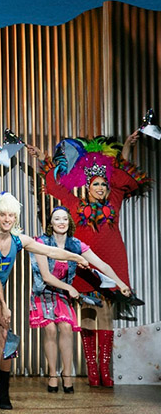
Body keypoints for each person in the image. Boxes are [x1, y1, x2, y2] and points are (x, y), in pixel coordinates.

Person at [27, 135, 149, 387]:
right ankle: (92, 372)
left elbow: (123, 179)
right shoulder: (74, 204)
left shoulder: (114, 200)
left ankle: (106, 370)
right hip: (85, 264)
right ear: (88, 187)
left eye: (104, 184)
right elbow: (54, 186)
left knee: (106, 314)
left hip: (112, 261)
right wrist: (42, 159)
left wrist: (125, 149)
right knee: (88, 314)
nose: (101, 188)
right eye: (96, 184)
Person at [0, 192, 88, 410]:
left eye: (11, 215)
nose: (7, 219)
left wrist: (76, 257)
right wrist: (5, 306)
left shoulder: (18, 240)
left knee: (5, 338)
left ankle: (4, 390)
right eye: (3, 215)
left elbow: (49, 250)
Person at [29, 207, 130, 393]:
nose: (61, 222)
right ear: (51, 223)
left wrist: (120, 283)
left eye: (64, 219)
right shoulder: (41, 243)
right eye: (57, 219)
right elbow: (46, 276)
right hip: (44, 293)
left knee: (66, 328)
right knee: (50, 329)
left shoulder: (76, 245)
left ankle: (66, 375)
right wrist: (69, 287)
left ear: (69, 223)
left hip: (62, 295)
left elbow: (102, 265)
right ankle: (53, 375)